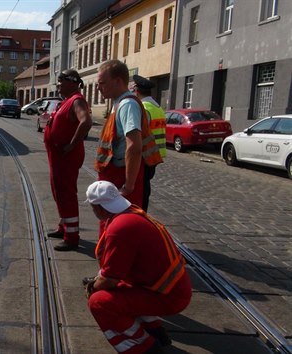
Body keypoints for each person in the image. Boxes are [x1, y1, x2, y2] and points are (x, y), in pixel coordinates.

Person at [83, 180, 192, 354]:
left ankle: (143, 348)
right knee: (118, 288)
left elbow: (110, 279)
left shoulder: (120, 227)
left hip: (169, 296)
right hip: (169, 288)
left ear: (99, 208)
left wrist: (92, 287)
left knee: (99, 302)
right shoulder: (131, 212)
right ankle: (155, 332)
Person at [95, 60, 162, 209]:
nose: (98, 87)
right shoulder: (119, 103)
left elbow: (134, 146)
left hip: (122, 178)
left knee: (124, 223)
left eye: (102, 83)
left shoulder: (127, 105)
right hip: (115, 175)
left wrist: (129, 185)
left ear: (117, 81)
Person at [44, 69, 93, 251]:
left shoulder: (76, 100)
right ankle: (64, 226)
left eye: (60, 81)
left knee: (66, 194)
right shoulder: (66, 101)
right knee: (58, 192)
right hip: (58, 157)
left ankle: (72, 236)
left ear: (71, 82)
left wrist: (71, 145)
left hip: (66, 157)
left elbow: (86, 121)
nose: (58, 85)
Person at [132, 75, 167, 211]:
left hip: (145, 154)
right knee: (145, 185)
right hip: (155, 153)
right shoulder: (157, 107)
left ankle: (141, 216)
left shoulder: (144, 108)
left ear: (137, 91)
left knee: (141, 189)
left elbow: (139, 134)